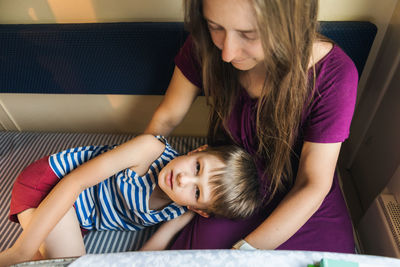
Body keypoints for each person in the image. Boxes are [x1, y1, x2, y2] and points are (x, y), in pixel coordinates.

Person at [144, 0, 358, 253]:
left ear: (289, 26)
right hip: (230, 184)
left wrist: (244, 253)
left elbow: (312, 184)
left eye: (248, 34)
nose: (227, 53)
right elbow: (167, 118)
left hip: (301, 197)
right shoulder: (206, 45)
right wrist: (132, 171)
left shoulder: (335, 75)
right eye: (215, 27)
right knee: (200, 255)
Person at [0, 134, 260, 266]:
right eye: (197, 168)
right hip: (51, 185)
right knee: (64, 261)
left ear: (196, 208)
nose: (184, 180)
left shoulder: (179, 211)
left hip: (78, 218)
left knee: (44, 260)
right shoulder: (148, 149)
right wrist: (20, 249)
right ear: (198, 151)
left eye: (196, 192)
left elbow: (150, 252)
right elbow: (74, 183)